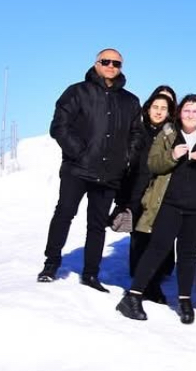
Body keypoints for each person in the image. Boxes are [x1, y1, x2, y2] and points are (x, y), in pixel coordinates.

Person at [116, 95, 196, 324]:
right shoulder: (167, 133)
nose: (191, 114)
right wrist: (172, 155)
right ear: (179, 113)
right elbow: (153, 163)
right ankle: (133, 296)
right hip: (169, 203)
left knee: (187, 254)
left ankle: (184, 300)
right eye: (187, 110)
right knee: (157, 248)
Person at [41, 49, 144, 289]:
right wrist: (79, 152)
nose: (111, 66)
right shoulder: (77, 92)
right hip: (77, 169)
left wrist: (126, 156)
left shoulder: (130, 101)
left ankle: (90, 273)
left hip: (109, 174)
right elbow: (59, 126)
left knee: (97, 225)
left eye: (116, 63)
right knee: (64, 213)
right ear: (96, 64)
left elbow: (137, 134)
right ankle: (51, 263)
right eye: (106, 61)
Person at [113, 90, 176, 300]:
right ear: (148, 108)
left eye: (163, 108)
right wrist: (122, 198)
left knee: (157, 239)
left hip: (160, 193)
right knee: (139, 239)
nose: (158, 112)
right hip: (136, 191)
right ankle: (140, 281)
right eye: (155, 107)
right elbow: (126, 164)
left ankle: (153, 283)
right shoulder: (137, 130)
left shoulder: (172, 134)